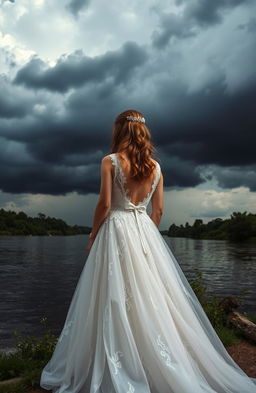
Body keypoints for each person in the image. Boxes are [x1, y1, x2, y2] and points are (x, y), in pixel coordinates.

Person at [40, 109, 256, 393]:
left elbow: (105, 204)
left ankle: (117, 359)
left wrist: (93, 233)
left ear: (119, 130)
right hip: (144, 229)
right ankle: (152, 357)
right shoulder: (156, 167)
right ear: (143, 132)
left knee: (112, 293)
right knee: (151, 294)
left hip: (116, 229)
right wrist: (147, 236)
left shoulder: (110, 161)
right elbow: (160, 210)